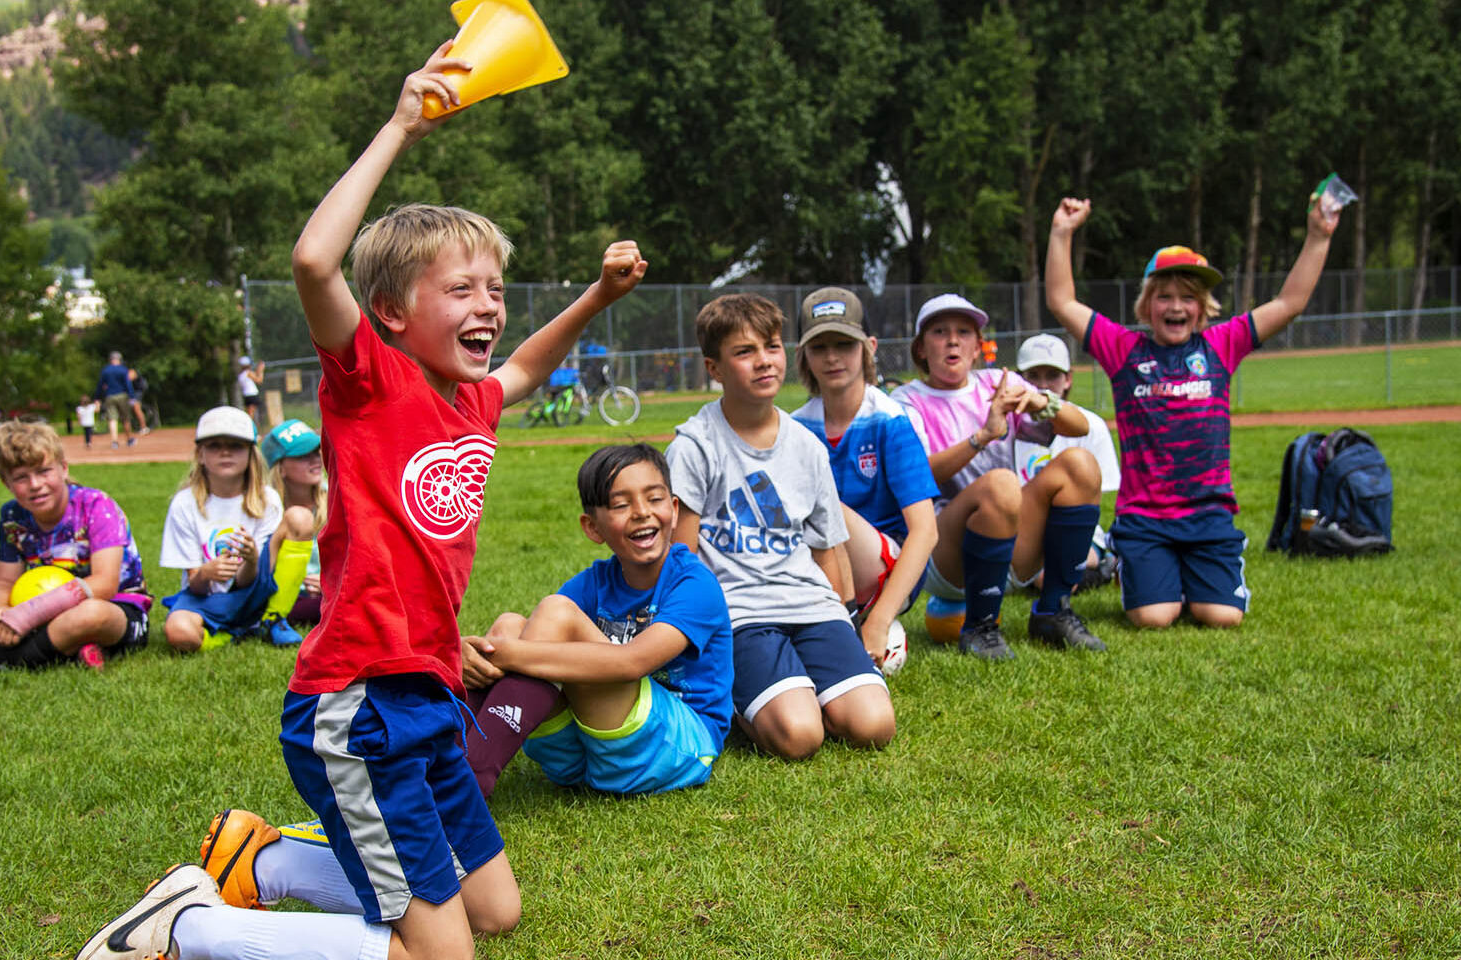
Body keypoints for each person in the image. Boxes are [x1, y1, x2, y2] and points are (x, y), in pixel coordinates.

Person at [77, 44, 648, 960]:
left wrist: (598, 294)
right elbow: (312, 259)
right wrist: (399, 126)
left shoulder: (474, 400)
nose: (488, 306)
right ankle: (189, 928)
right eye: (460, 289)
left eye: (494, 290)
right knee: (438, 954)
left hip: (425, 692)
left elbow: (529, 364)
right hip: (358, 706)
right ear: (390, 312)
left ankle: (261, 865)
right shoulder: (370, 380)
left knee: (493, 912)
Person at [1045, 192, 1339, 628]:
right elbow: (1062, 302)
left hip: (1209, 515)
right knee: (1153, 617)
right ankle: (1143, 569)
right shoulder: (1124, 349)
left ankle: (1195, 578)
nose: (1176, 306)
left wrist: (1317, 236)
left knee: (1221, 617)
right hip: (1145, 519)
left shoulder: (1222, 345)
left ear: (1202, 307)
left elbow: (1289, 303)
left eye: (1188, 296)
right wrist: (1061, 233)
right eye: (1164, 296)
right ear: (1147, 305)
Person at [666, 293, 895, 762]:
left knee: (874, 726)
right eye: (744, 352)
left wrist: (850, 620)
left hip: (811, 606)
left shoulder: (806, 445)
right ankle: (739, 696)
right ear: (715, 368)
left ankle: (804, 690)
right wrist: (685, 644)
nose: (764, 362)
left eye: (771, 347)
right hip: (741, 615)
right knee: (800, 737)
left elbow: (829, 547)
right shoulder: (694, 446)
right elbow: (680, 558)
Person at [460, 443, 732, 798]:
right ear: (593, 527)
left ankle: (471, 772)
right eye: (621, 505)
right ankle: (458, 757)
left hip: (678, 746)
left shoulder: (694, 584)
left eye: (654, 499)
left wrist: (501, 654)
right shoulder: (596, 581)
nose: (641, 513)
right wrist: (471, 650)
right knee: (510, 626)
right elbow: (537, 640)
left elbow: (633, 662)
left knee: (544, 624)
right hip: (589, 756)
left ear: (674, 509)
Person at [890, 294, 1108, 658]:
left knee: (1080, 464)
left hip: (1009, 538)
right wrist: (983, 437)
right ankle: (979, 627)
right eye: (940, 332)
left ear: (978, 347)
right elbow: (916, 475)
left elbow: (1081, 425)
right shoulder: (906, 401)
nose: (953, 340)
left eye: (964, 331)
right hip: (943, 553)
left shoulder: (996, 382)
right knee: (1002, 483)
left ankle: (1054, 611)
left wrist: (1042, 402)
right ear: (921, 349)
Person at [788, 287, 939, 669]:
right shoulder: (795, 426)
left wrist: (881, 620)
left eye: (845, 343)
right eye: (819, 347)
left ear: (869, 347)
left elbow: (925, 531)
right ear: (803, 355)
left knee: (820, 503)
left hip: (886, 569)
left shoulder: (890, 420)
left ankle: (861, 620)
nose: (833, 356)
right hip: (824, 570)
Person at [0, 421, 152, 670]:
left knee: (91, 615)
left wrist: (25, 616)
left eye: (44, 471)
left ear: (64, 468)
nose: (35, 484)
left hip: (114, 609)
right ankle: (68, 647)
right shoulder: (12, 516)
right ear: (6, 483)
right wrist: (0, 617)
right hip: (41, 615)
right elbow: (4, 583)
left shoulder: (96, 505)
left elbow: (105, 583)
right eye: (21, 478)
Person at [159, 407, 290, 652]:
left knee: (298, 519)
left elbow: (248, 582)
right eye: (214, 445)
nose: (226, 452)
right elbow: (195, 585)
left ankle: (271, 618)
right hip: (204, 597)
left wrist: (251, 560)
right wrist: (206, 573)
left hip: (252, 593)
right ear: (200, 453)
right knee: (179, 633)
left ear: (251, 454)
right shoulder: (184, 503)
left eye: (236, 445)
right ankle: (227, 636)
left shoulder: (267, 500)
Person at [1012, 333, 1121, 591]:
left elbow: (1094, 502)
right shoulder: (1005, 424)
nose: (1043, 385)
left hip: (1072, 527)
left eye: (1052, 375)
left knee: (1053, 574)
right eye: (1033, 376)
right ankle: (1095, 569)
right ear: (1018, 378)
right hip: (1022, 527)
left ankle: (1100, 563)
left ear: (1068, 378)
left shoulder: (1091, 425)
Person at [263, 419, 324, 628]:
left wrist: (329, 582)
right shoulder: (266, 507)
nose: (315, 459)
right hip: (284, 593)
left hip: (329, 589)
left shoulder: (336, 497)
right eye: (302, 455)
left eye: (316, 452)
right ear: (280, 468)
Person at [95, 350, 136, 449]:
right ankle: (129, 439)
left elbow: (100, 385)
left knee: (112, 419)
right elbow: (128, 384)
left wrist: (97, 397)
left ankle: (114, 442)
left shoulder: (105, 370)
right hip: (122, 395)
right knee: (125, 418)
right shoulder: (123, 370)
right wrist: (132, 397)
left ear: (110, 360)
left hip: (109, 396)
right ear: (119, 359)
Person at [237, 355, 264, 426]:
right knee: (251, 415)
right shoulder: (248, 373)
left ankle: (250, 427)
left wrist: (259, 369)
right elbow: (259, 380)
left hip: (246, 395)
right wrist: (261, 370)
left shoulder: (241, 374)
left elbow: (255, 375)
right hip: (252, 394)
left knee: (250, 413)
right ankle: (249, 428)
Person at [127, 368, 152, 435]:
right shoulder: (127, 372)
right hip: (133, 392)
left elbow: (130, 378)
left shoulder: (133, 372)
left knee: (137, 409)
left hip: (139, 391)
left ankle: (144, 427)